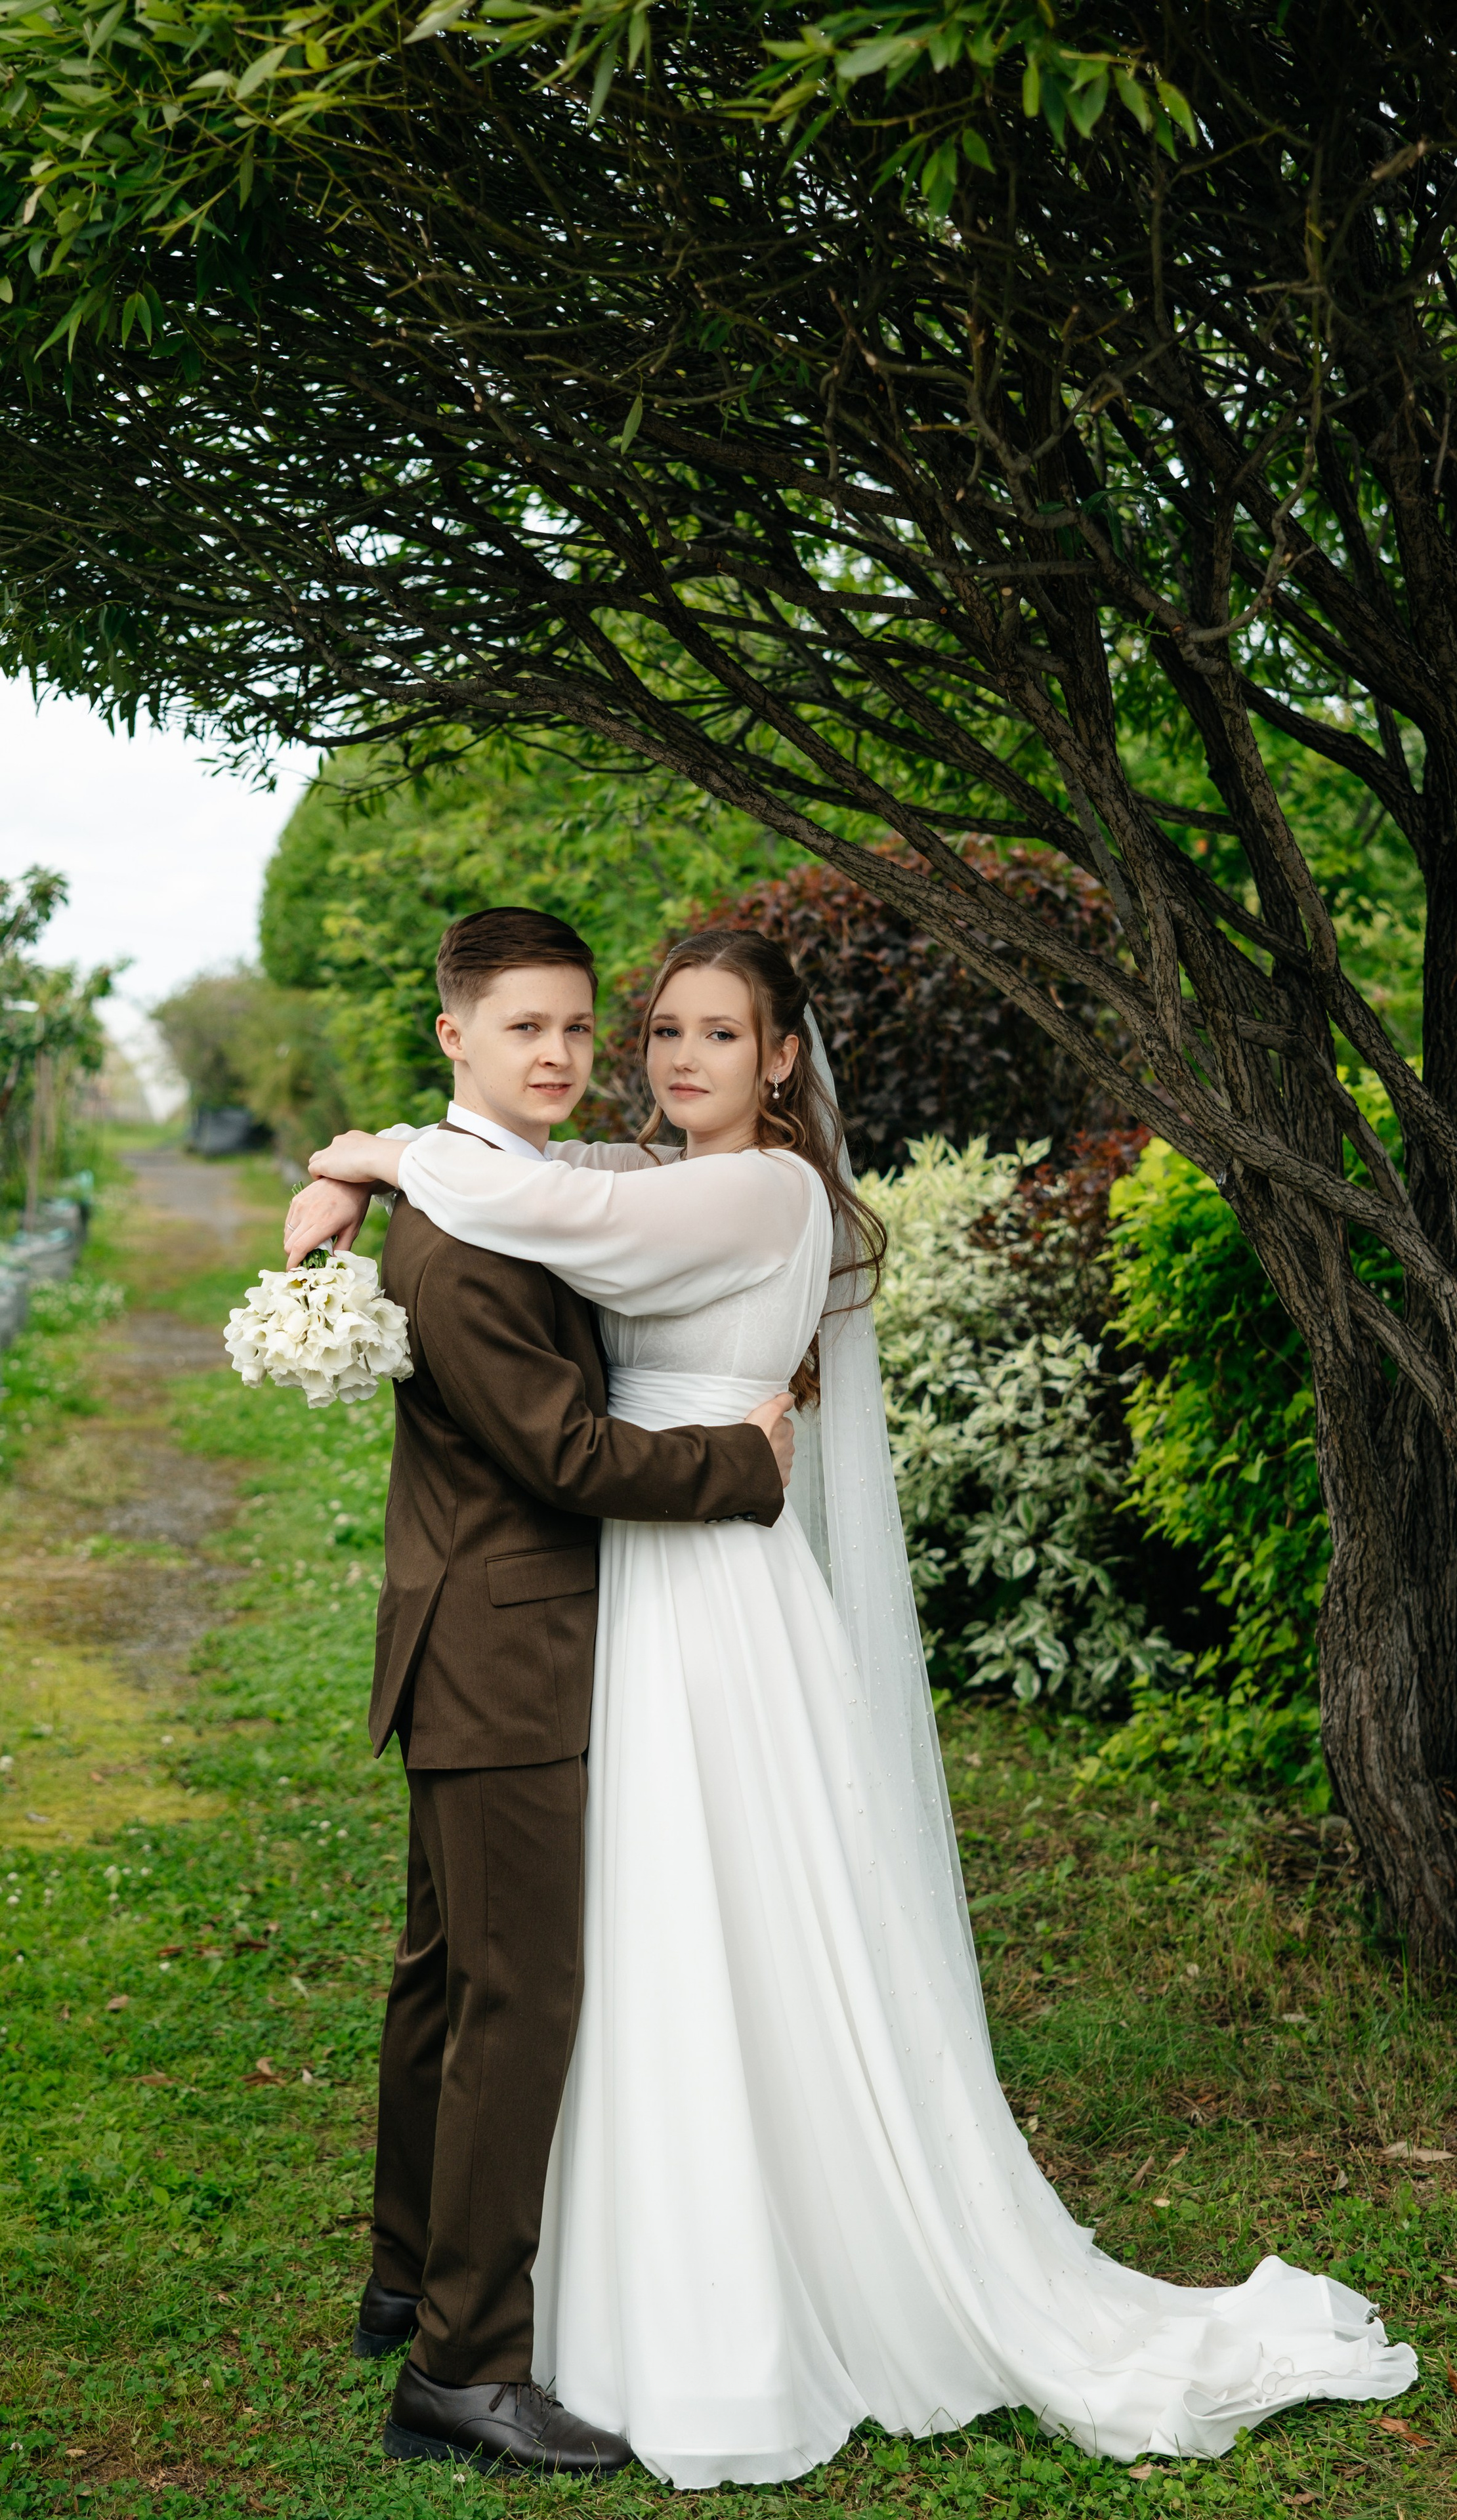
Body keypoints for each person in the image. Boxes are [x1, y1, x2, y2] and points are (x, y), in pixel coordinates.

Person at [287, 926, 1417, 2490]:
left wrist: (369, 1161)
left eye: (710, 1033)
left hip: (695, 1587)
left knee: (662, 1939)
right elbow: (556, 1198)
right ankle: (438, 2308)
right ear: (466, 1035)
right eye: (660, 1031)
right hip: (601, 1600)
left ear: (782, 1058)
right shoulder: (604, 1182)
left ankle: (499, 2301)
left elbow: (551, 1204)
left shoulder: (752, 1190)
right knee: (532, 1967)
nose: (667, 1057)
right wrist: (360, 1165)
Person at [339, 908, 797, 2479]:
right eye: (522, 1026)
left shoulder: (491, 1195)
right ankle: (464, 2366)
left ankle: (407, 2274)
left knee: (446, 1977)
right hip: (510, 1655)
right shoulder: (468, 1238)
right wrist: (740, 1462)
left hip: (473, 1639)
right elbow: (563, 1454)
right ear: (454, 1035)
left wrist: (353, 1166)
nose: (558, 1055)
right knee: (515, 1998)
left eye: (575, 1027)